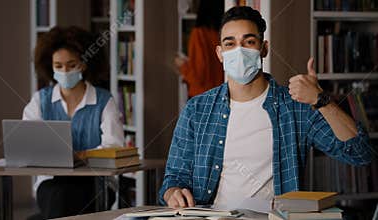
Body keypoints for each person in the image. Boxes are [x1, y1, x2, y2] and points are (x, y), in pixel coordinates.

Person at [160, 6, 373, 210]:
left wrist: (321, 100)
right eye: (230, 43)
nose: (239, 51)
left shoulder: (295, 107)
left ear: (264, 49)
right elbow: (173, 178)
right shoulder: (197, 109)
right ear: (219, 53)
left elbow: (361, 153)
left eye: (249, 41)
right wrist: (173, 192)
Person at [23, 26, 124, 219]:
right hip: (51, 182)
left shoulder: (104, 101)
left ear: (84, 65)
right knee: (59, 195)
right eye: (58, 66)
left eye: (71, 65)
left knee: (63, 200)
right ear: (50, 66)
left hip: (96, 183)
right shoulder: (40, 101)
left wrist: (81, 156)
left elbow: (114, 146)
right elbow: (28, 144)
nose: (65, 71)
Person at [175, 0, 225, 98]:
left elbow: (198, 76)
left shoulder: (199, 34)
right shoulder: (223, 33)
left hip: (202, 97)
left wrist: (182, 65)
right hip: (221, 93)